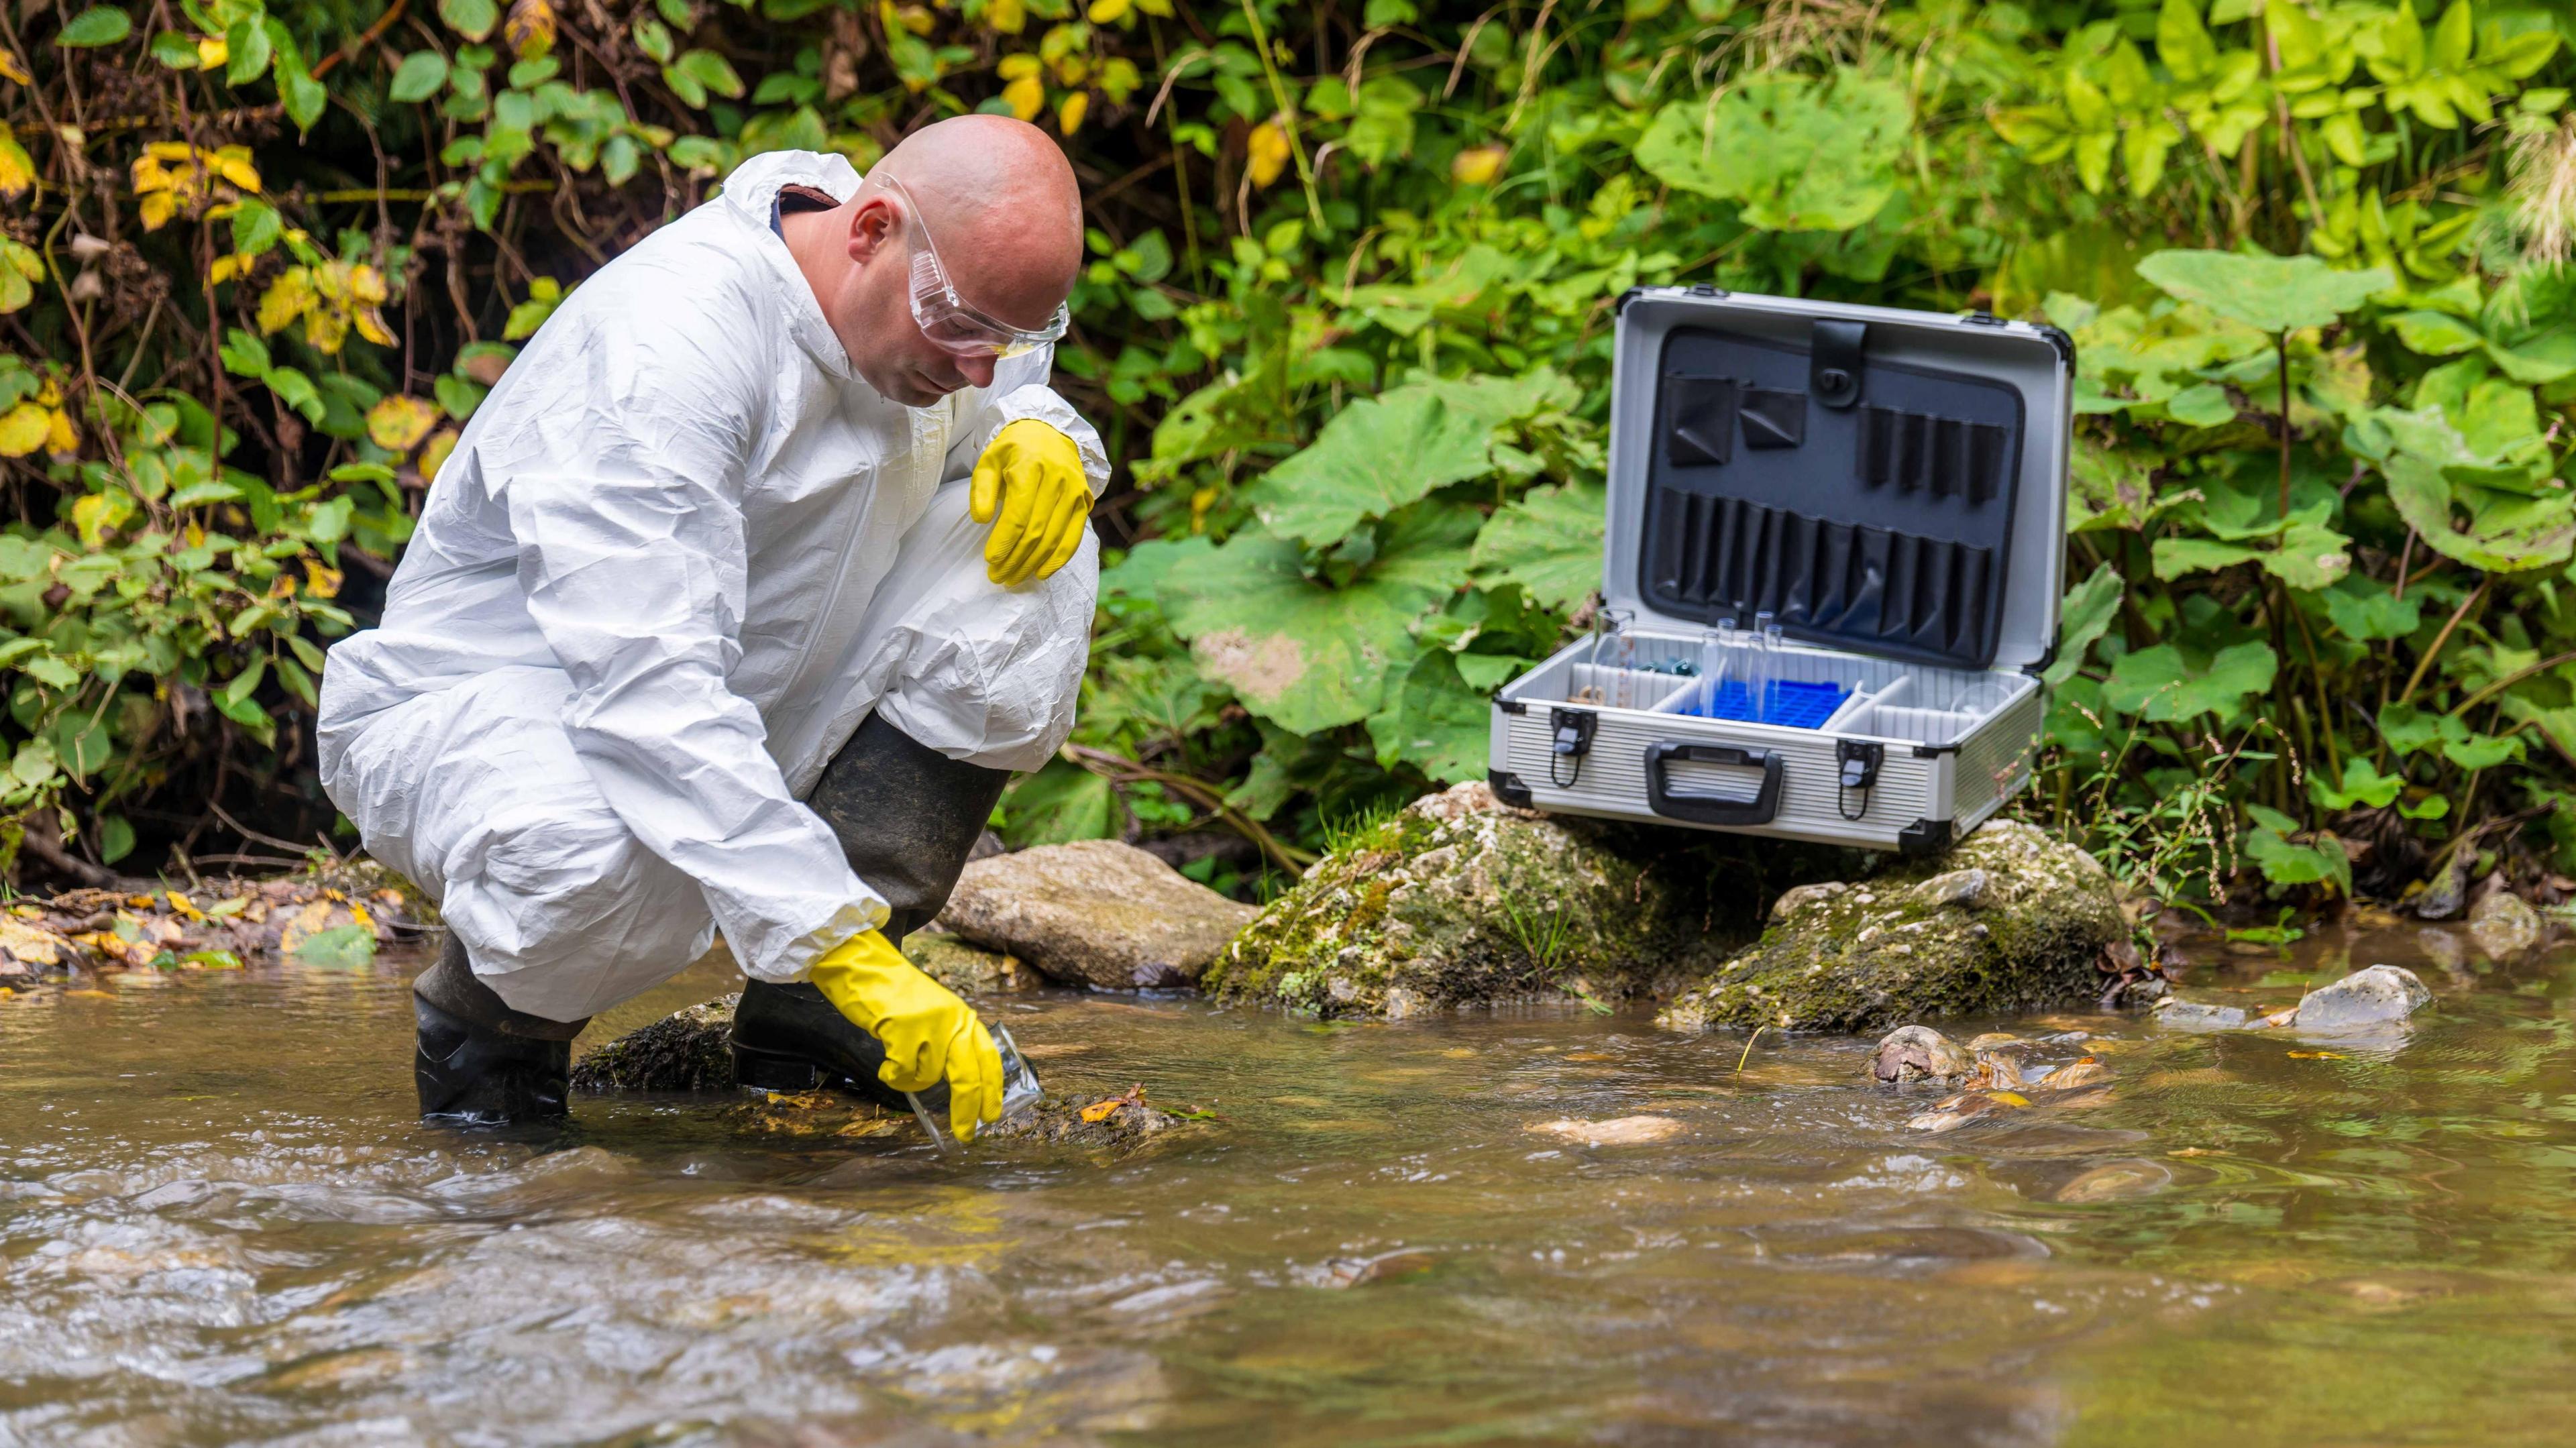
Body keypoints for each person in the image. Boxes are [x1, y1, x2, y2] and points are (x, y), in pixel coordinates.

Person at [317, 117, 1104, 1141]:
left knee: (1033, 551)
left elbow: (997, 394)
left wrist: (1046, 432)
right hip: (509, 720)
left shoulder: (924, 324)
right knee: (595, 840)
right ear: (869, 228)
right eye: (963, 330)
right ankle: (495, 1046)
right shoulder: (670, 348)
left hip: (750, 695)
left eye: (1014, 341)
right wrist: (834, 940)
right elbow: (647, 694)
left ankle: (812, 1018)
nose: (977, 372)